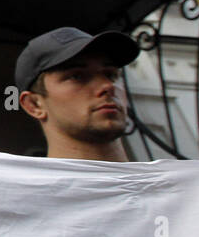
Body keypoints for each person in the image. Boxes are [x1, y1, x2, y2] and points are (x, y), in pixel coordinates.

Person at [15, 26, 139, 162]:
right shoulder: (33, 183)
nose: (108, 86)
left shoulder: (161, 180)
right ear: (34, 105)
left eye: (111, 75)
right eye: (77, 76)